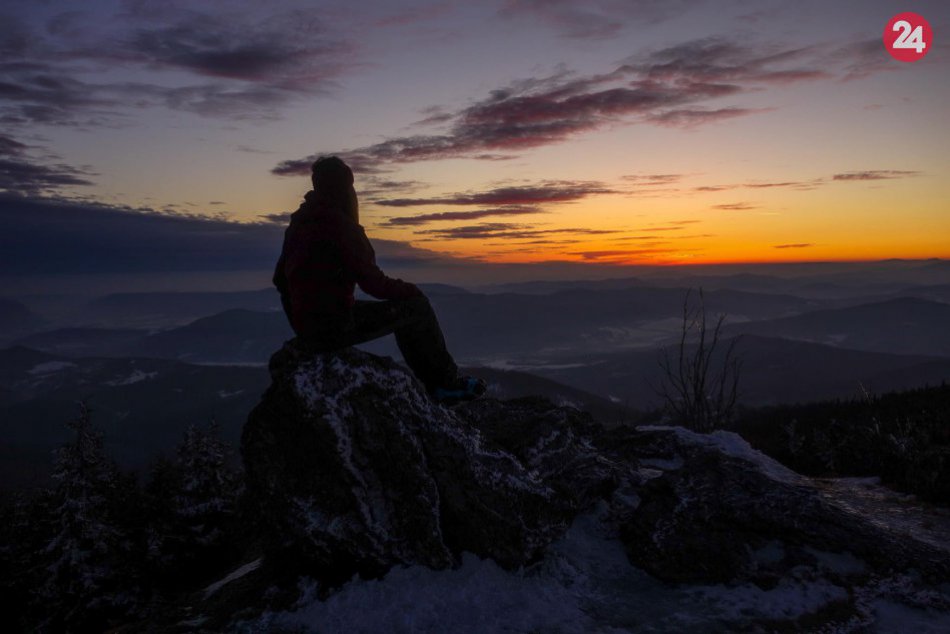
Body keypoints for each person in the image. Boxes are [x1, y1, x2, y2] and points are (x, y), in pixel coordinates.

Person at [272, 156, 486, 403]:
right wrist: (411, 290)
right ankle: (444, 384)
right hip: (334, 325)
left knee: (408, 309)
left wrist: (302, 321)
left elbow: (280, 279)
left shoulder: (299, 223)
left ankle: (440, 383)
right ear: (344, 188)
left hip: (307, 325)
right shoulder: (342, 227)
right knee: (417, 309)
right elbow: (374, 284)